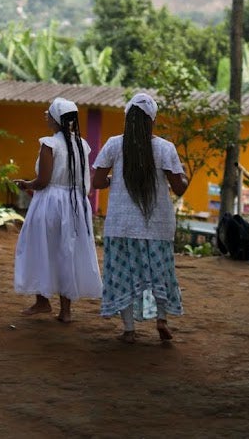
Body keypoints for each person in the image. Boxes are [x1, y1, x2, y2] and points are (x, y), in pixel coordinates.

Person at [90, 93, 189, 344]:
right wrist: (182, 176)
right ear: (152, 120)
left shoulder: (114, 144)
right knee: (160, 272)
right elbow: (179, 188)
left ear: (127, 119)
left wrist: (116, 181)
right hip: (156, 226)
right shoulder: (165, 148)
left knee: (123, 275)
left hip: (121, 224)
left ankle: (129, 329)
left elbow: (98, 182)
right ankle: (162, 320)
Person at [13, 97, 102, 322]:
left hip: (51, 202)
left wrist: (26, 185)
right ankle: (66, 310)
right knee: (66, 251)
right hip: (75, 204)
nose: (45, 116)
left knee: (42, 247)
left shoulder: (50, 144)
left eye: (48, 113)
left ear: (56, 119)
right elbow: (84, 182)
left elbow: (43, 181)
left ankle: (42, 301)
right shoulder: (82, 145)